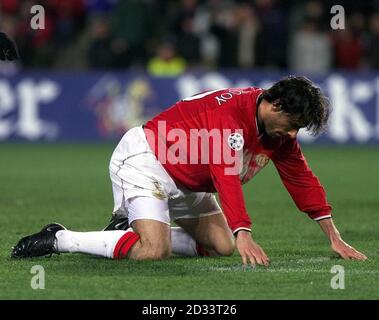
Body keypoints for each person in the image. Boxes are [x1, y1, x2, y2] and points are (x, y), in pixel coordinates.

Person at [11, 76, 367, 265]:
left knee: (222, 247)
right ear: (274, 104)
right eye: (292, 123)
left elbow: (302, 180)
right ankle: (59, 238)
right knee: (154, 250)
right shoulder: (229, 118)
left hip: (188, 178)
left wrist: (333, 236)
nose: (293, 133)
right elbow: (225, 176)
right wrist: (245, 230)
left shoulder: (277, 133)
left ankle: (129, 227)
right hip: (147, 159)